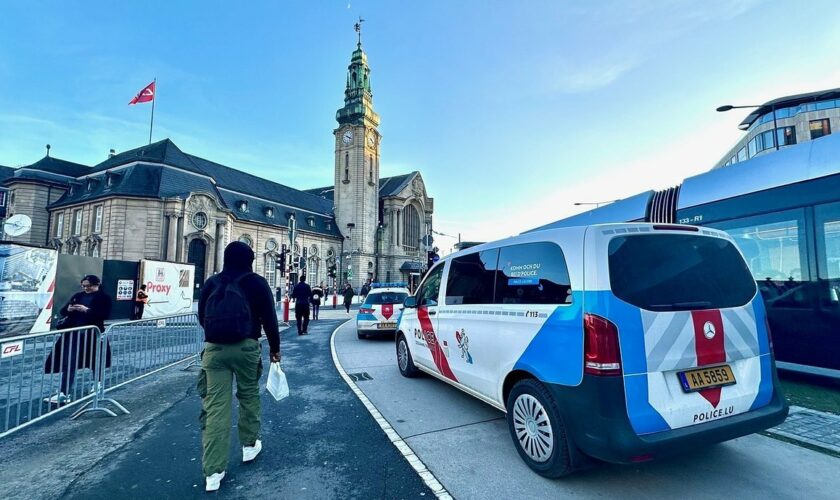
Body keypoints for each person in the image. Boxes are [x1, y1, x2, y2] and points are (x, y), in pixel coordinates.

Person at [197, 241, 282, 492]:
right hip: (246, 346)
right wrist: (275, 349)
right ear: (249, 260)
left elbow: (202, 316)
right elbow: (269, 319)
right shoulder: (256, 282)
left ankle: (213, 472)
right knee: (248, 395)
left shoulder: (212, 282)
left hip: (214, 350)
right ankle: (249, 445)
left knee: (215, 408)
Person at [43, 275, 113, 404]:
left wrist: (86, 310)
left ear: (96, 284)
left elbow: (104, 315)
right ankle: (64, 393)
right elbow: (63, 311)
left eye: (88, 286)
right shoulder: (78, 296)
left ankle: (97, 385)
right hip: (74, 333)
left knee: (95, 360)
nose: (85, 288)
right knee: (69, 361)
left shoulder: (104, 298)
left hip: (93, 333)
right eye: (84, 286)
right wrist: (69, 309)